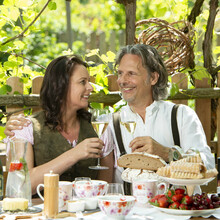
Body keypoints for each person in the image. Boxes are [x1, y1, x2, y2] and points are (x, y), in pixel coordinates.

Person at [5, 45, 215, 185]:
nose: (122, 80)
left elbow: (208, 166)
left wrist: (167, 153)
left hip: (178, 212)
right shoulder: (108, 123)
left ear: (153, 78)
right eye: (120, 73)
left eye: (131, 73)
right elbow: (18, 184)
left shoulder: (182, 116)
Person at [4, 55, 114, 194]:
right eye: (82, 82)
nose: (90, 87)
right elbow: (20, 185)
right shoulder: (25, 128)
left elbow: (105, 188)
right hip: (42, 213)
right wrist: (74, 154)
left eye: (89, 81)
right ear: (61, 86)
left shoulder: (99, 127)